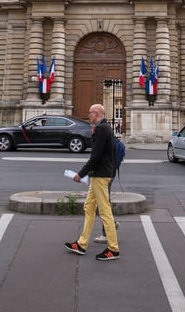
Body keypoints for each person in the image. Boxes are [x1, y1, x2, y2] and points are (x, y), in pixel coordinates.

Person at [64, 103, 120, 261]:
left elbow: (95, 156)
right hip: (98, 175)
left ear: (96, 114)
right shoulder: (103, 128)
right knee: (89, 207)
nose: (88, 115)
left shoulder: (102, 129)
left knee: (105, 211)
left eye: (90, 113)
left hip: (100, 175)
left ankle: (113, 249)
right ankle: (81, 244)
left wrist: (80, 174)